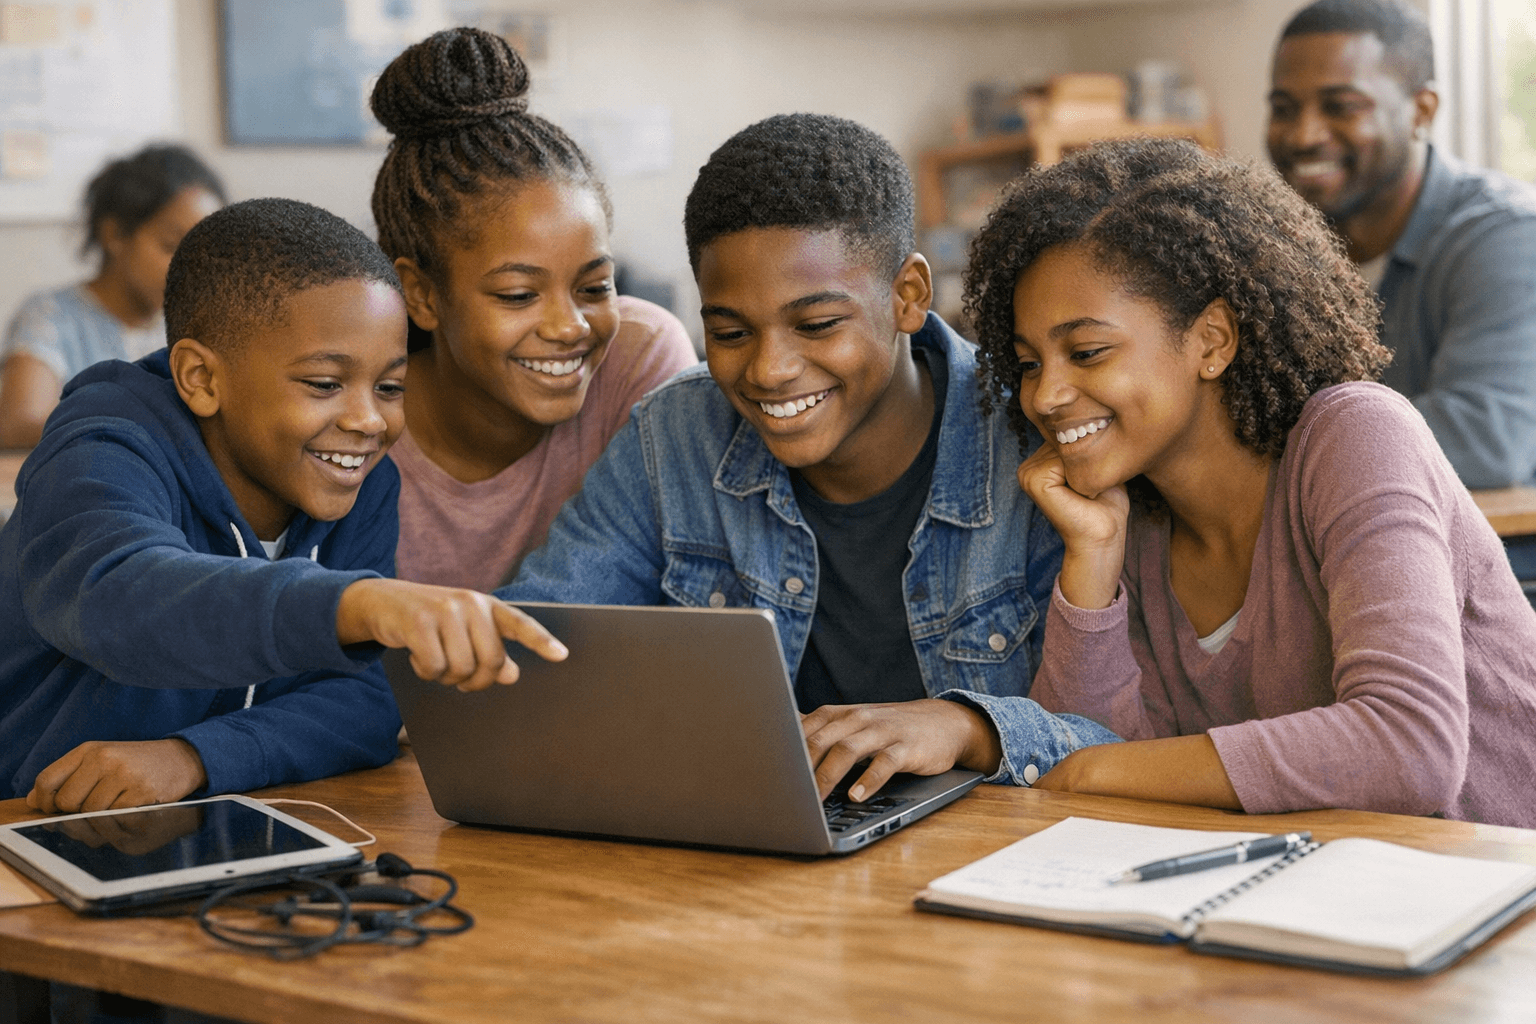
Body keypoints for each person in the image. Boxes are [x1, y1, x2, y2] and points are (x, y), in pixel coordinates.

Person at [502, 113, 1112, 803]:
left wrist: (969, 726)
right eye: (730, 331)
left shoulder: (1038, 435)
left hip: (995, 859)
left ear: (908, 295)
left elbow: (1118, 734)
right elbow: (531, 651)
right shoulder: (672, 434)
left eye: (817, 325)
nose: (769, 370)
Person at [964, 137, 1536, 829]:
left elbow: (1410, 747)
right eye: (1028, 364)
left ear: (1212, 341)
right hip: (1319, 902)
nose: (1047, 395)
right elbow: (1086, 783)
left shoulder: (1356, 436)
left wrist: (1098, 768)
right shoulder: (1135, 518)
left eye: (1087, 352)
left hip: (1493, 897)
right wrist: (1092, 559)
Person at [0, 197, 566, 812]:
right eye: (325, 384)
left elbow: (365, 701)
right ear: (202, 379)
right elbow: (120, 596)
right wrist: (356, 604)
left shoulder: (360, 481)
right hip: (29, 825)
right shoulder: (101, 449)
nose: (368, 419)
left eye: (390, 386)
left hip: (201, 822)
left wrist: (196, 757)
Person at [368, 28, 696, 592]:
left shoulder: (639, 360)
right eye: (519, 296)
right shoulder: (359, 421)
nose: (570, 326)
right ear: (422, 295)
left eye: (595, 288)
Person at [1267, 0, 1536, 492]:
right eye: (1284, 109)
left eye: (1342, 107)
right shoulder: (1281, 249)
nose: (1303, 135)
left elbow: (1486, 441)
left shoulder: (1508, 235)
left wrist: (1259, 443)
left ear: (1422, 110)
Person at [0, 144, 225, 448]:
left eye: (206, 252)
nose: (193, 267)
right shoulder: (51, 316)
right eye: (172, 246)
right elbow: (20, 423)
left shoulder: (200, 324)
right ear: (115, 235)